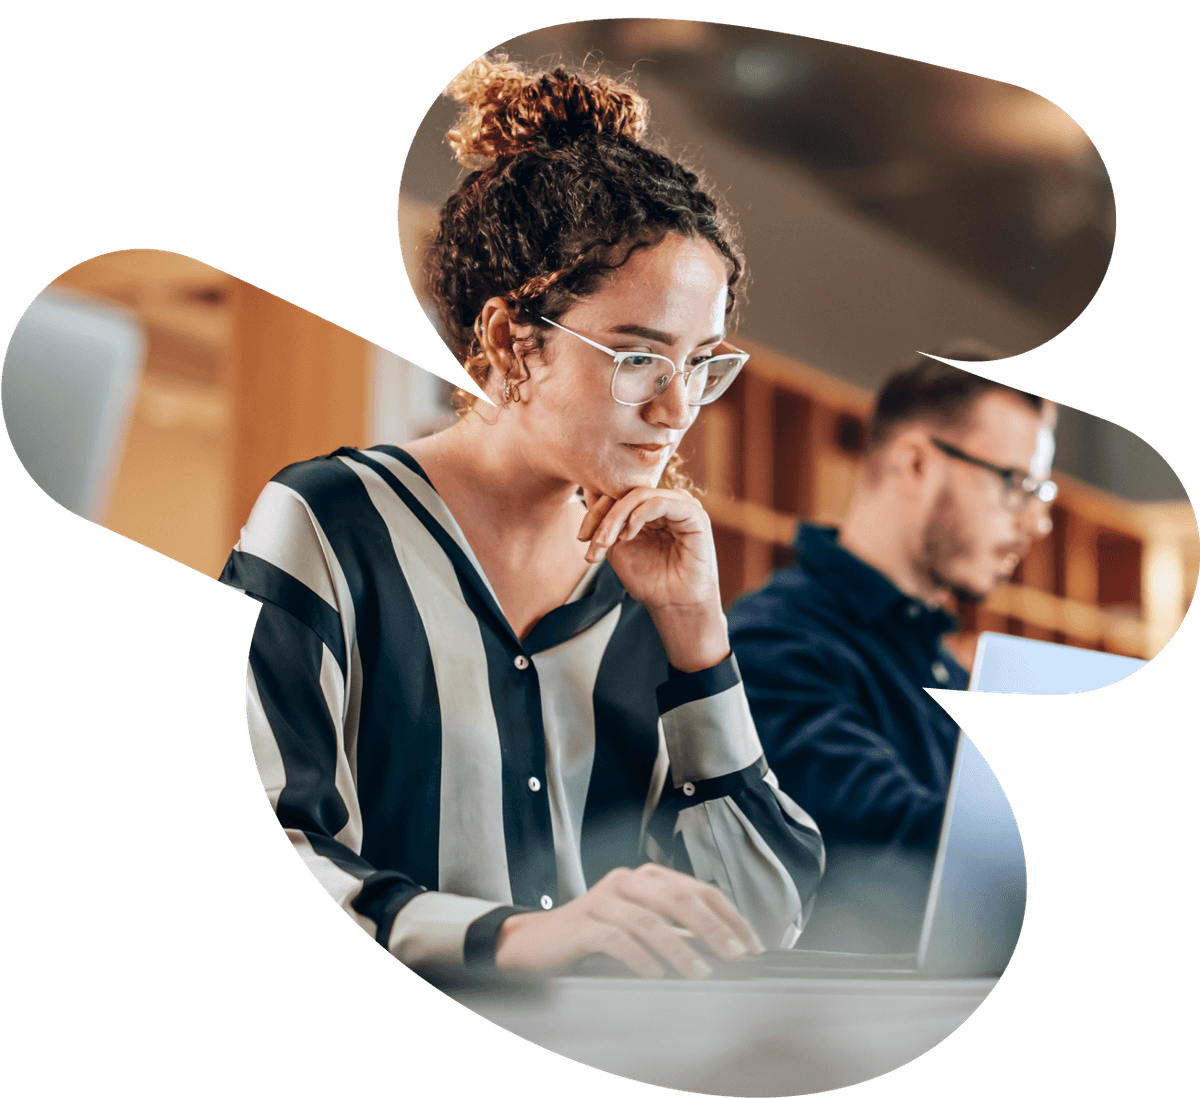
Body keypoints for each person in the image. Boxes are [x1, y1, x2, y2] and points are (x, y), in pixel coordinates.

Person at [220, 54, 824, 982]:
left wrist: (699, 636)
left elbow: (761, 919)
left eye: (703, 364)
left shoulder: (645, 588)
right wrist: (511, 939)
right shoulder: (328, 526)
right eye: (638, 359)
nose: (677, 410)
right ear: (508, 341)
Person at [728, 354, 1055, 949]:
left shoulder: (947, 674)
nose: (1039, 522)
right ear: (916, 462)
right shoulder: (773, 642)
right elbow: (889, 842)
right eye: (1016, 485)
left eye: (1042, 492)